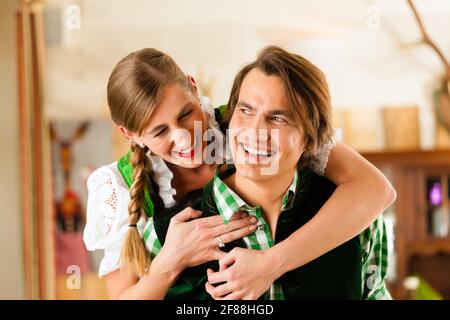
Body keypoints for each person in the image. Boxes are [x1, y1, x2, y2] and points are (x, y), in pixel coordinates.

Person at [83, 48, 396, 299]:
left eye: (186, 114)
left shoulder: (247, 125)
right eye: (159, 131)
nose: (184, 137)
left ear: (193, 87)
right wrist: (170, 261)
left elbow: (375, 190)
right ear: (130, 135)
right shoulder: (119, 189)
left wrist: (271, 265)